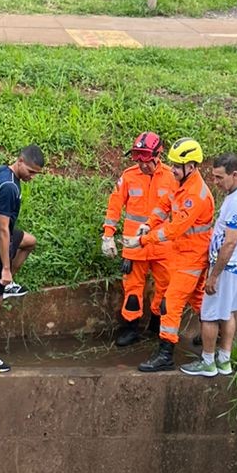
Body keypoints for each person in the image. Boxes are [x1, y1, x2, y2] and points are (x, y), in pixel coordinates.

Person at [126, 138, 216, 374]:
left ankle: (166, 354)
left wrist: (144, 239)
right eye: (173, 164)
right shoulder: (182, 183)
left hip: (192, 257)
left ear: (192, 166)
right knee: (198, 301)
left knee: (171, 303)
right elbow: (164, 205)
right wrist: (148, 223)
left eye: (177, 166)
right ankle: (213, 340)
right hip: (183, 253)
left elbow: (175, 228)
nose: (172, 169)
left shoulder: (195, 195)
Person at [182, 155, 237, 378]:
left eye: (219, 177)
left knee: (209, 315)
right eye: (213, 177)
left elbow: (230, 243)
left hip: (227, 268)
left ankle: (208, 362)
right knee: (226, 313)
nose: (215, 182)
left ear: (235, 175)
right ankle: (224, 362)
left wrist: (213, 277)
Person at [0, 146, 45, 374]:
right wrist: (5, 268)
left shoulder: (0, 171)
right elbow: (3, 231)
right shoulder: (9, 187)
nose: (32, 177)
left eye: (36, 174)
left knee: (30, 241)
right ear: (20, 161)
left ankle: (8, 283)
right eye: (31, 172)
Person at [102, 132, 177, 347]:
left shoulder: (172, 177)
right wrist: (108, 234)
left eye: (145, 161)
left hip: (162, 245)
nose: (142, 165)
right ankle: (131, 328)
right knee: (133, 290)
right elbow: (114, 206)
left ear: (157, 155)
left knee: (165, 288)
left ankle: (156, 323)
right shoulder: (128, 176)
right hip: (134, 246)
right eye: (138, 160)